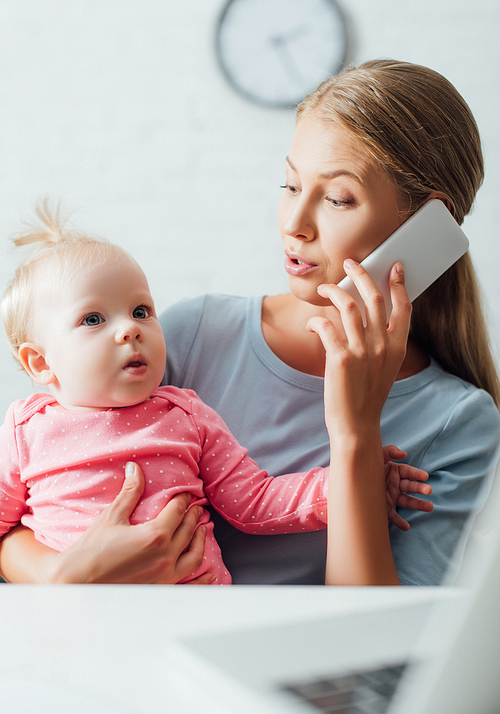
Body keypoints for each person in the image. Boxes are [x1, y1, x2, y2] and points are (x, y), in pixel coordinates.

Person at [1, 59, 499, 585]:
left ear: (427, 226)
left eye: (337, 198)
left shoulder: (457, 422)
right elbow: (30, 513)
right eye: (289, 185)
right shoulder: (192, 337)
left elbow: (371, 640)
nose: (293, 223)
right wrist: (64, 575)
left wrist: (354, 432)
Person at [0, 203, 431, 585]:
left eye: (140, 311)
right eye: (93, 319)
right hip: (74, 628)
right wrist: (54, 575)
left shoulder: (187, 415)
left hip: (197, 619)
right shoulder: (26, 431)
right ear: (40, 363)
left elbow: (255, 502)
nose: (129, 328)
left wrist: (353, 483)